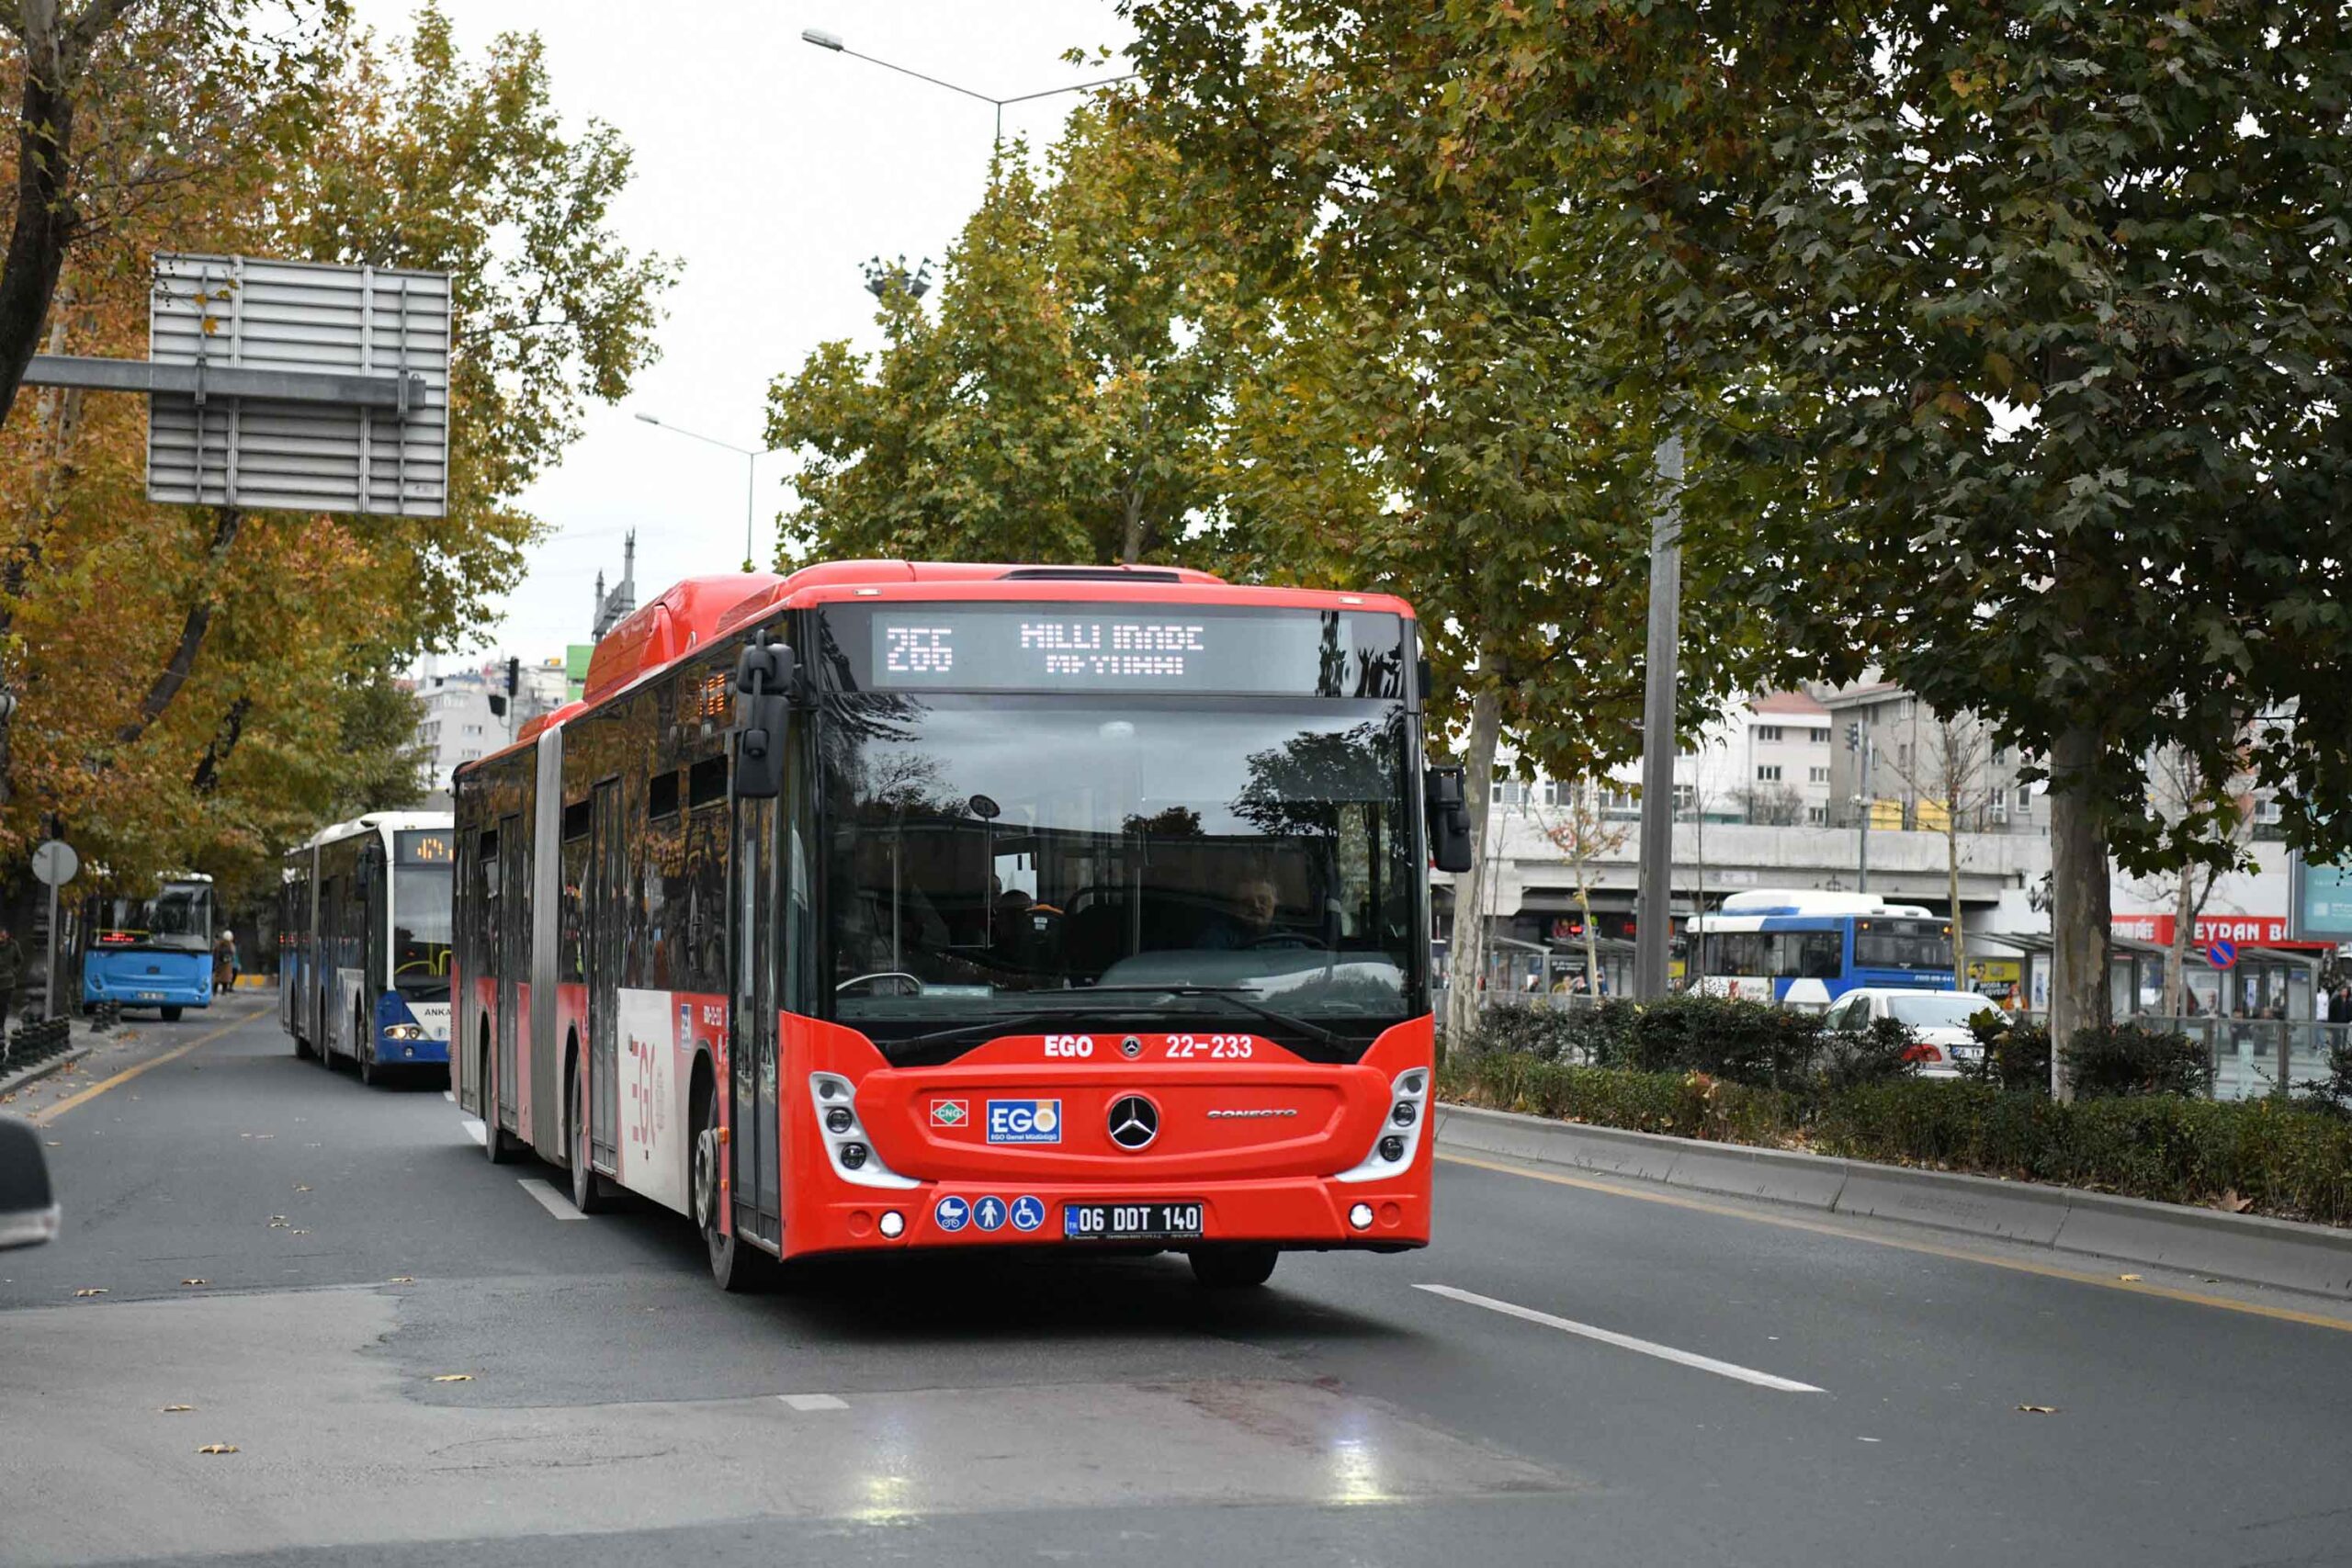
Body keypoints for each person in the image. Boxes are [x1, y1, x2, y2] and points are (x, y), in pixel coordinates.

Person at [0, 925, 21, 1033]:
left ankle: (1, 1027)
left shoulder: (13, 945)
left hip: (7, 982)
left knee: (3, 1006)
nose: (1, 937)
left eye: (3, 935)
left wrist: (13, 972)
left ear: (7, 935)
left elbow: (19, 960)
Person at [212, 928, 238, 995]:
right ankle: (224, 991)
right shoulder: (230, 945)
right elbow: (233, 953)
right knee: (226, 978)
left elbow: (215, 952)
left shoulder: (219, 944)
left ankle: (214, 991)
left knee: (217, 978)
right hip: (227, 964)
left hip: (219, 964)